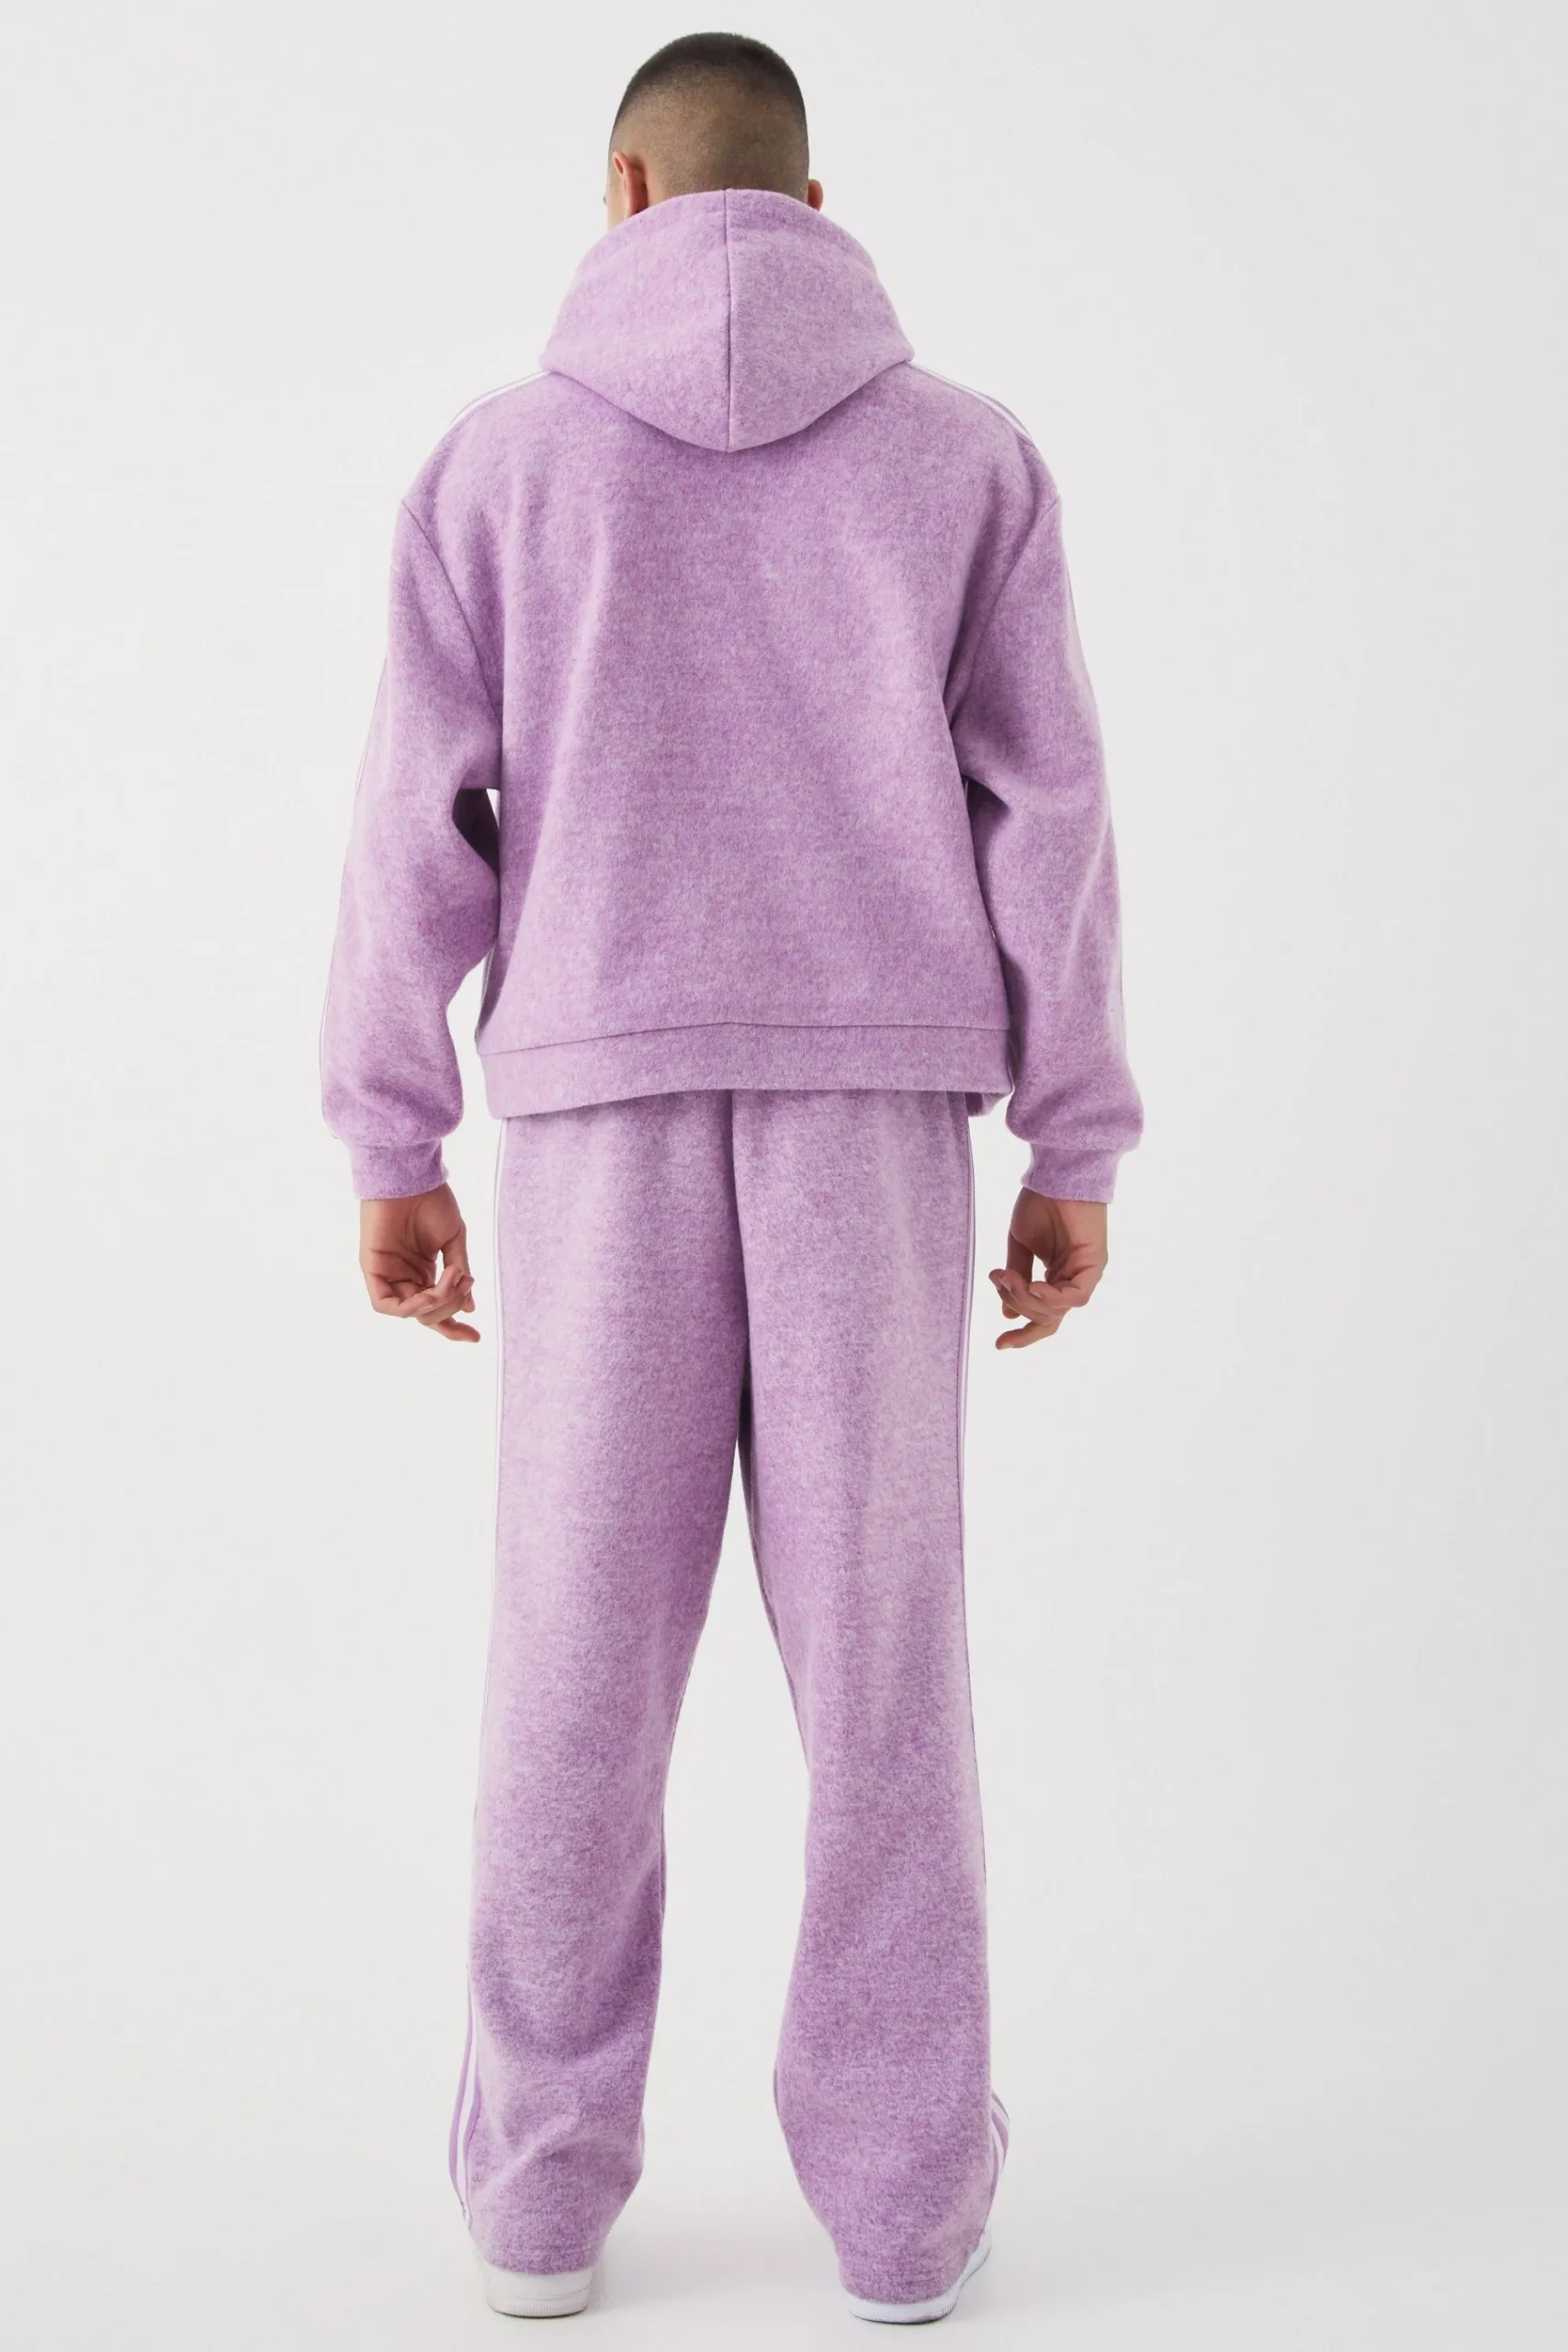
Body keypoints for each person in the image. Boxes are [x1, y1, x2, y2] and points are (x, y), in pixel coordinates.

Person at [321, 28, 1141, 2327]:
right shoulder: (965, 461)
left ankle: (536, 2200)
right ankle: (904, 2212)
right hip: (877, 1119)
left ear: (623, 189)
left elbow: (411, 826)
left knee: (575, 1664)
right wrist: (1072, 1127)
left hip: (594, 1117)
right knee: (885, 1673)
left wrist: (391, 1129)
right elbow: (1051, 814)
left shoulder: (496, 469)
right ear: (807, 205)